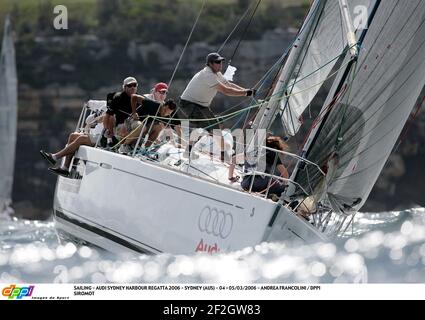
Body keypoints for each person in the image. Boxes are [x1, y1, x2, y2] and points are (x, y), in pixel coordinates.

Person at [177, 52, 255, 149]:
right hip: (188, 104)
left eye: (221, 62)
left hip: (202, 105)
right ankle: (188, 151)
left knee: (216, 129)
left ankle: (223, 155)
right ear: (210, 64)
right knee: (206, 128)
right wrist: (245, 93)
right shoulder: (208, 74)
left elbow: (229, 85)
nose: (220, 64)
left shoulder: (217, 74)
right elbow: (226, 90)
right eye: (217, 62)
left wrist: (247, 90)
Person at [39, 113, 104, 177]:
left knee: (81, 138)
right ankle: (65, 168)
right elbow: (88, 121)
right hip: (95, 136)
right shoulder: (104, 108)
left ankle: (55, 157)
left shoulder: (110, 111)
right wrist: (96, 115)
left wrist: (98, 119)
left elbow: (104, 119)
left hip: (102, 138)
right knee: (73, 135)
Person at [103, 77, 142, 148]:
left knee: (140, 125)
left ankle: (133, 146)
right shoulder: (118, 98)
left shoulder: (140, 99)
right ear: (124, 87)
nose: (133, 87)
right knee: (125, 127)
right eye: (129, 86)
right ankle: (124, 146)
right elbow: (108, 115)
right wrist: (107, 129)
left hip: (133, 123)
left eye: (134, 85)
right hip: (120, 126)